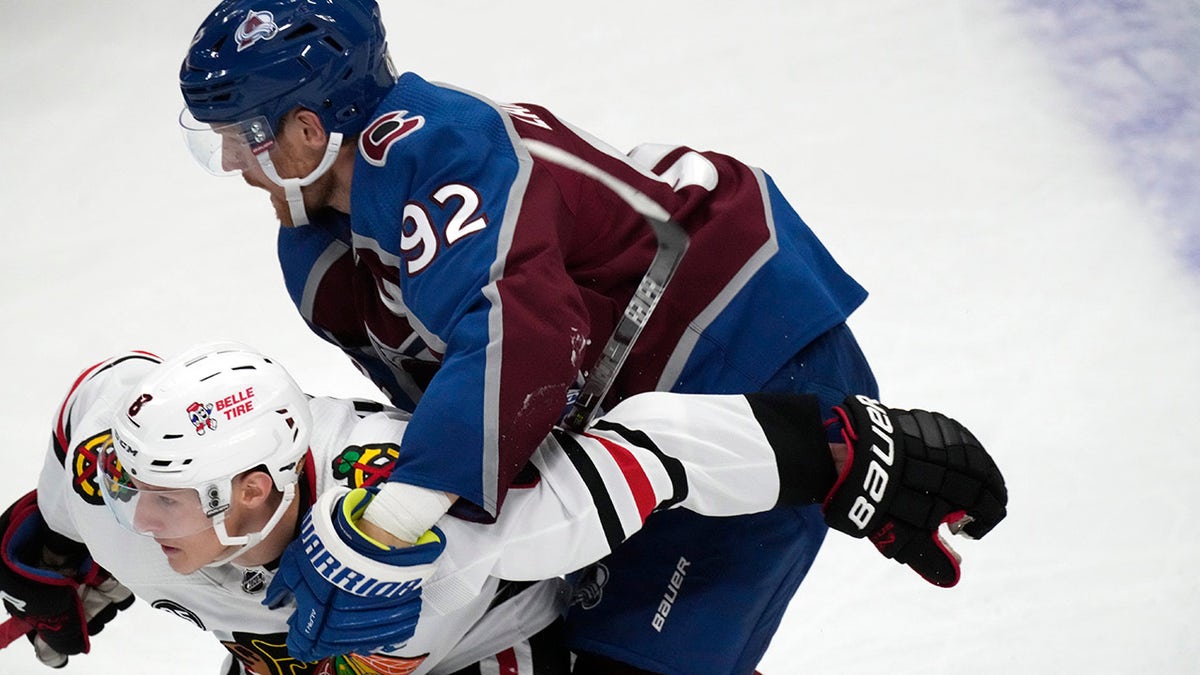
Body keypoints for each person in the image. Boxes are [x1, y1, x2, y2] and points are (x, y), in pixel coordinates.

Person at [177, 2, 1004, 672]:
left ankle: (835, 449)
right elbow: (452, 396)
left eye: (239, 135)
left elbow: (521, 341)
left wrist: (387, 525)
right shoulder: (320, 236)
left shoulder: (436, 151)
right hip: (625, 420)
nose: (229, 163)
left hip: (743, 362)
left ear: (309, 131)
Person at [0, 343, 1004, 674]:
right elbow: (57, 510)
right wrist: (55, 572)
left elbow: (644, 452)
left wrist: (843, 452)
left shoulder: (424, 514)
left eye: (166, 499)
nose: (134, 510)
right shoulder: (103, 463)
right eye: (135, 485)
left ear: (253, 492)